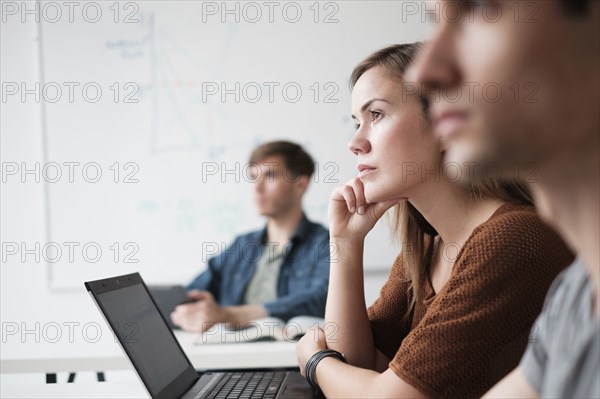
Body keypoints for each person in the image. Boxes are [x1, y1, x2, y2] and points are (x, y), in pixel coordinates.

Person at [295, 44, 574, 398]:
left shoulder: (514, 238)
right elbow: (357, 364)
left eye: (376, 115)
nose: (355, 142)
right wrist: (346, 245)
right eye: (356, 123)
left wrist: (315, 361)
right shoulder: (428, 246)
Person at [407, 1, 599, 398]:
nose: (424, 73)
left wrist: (317, 361)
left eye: (478, 9)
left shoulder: (513, 238)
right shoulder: (577, 295)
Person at [171, 141, 330, 332]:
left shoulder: (324, 243)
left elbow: (321, 299)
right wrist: (190, 309)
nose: (257, 188)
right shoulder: (242, 245)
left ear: (300, 185)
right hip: (229, 356)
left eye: (270, 176)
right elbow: (194, 291)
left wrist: (228, 315)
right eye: (254, 177)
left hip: (290, 357)